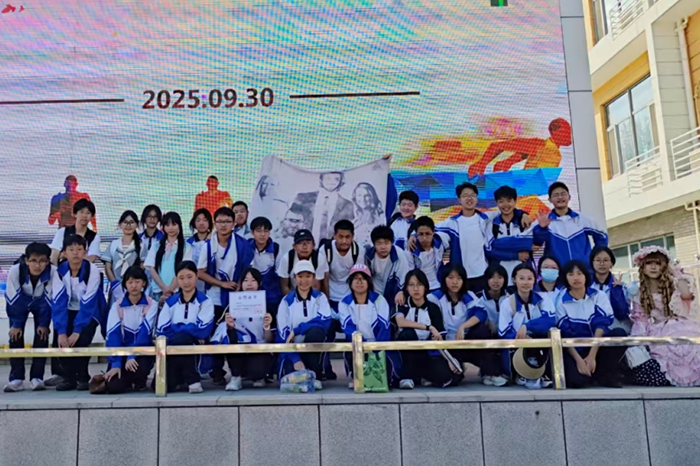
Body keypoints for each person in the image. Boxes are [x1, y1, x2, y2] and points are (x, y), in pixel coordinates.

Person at [428, 183, 529, 293]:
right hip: (461, 276)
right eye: (465, 196)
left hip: (483, 274)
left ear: (477, 198)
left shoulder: (486, 218)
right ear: (459, 200)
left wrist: (524, 214)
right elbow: (427, 229)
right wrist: (415, 237)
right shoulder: (451, 223)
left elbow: (508, 210)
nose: (469, 198)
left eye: (472, 195)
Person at [197, 206, 254, 384]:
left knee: (236, 331)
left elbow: (248, 269)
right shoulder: (208, 246)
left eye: (227, 221)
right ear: (214, 223)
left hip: (237, 295)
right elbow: (200, 272)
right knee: (215, 332)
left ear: (234, 223)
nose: (223, 225)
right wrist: (221, 283)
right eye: (220, 221)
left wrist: (240, 287)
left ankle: (240, 371)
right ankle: (217, 372)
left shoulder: (242, 244)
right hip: (215, 295)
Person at [629, 246, 700, 387]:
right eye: (649, 263)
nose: (653, 267)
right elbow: (641, 320)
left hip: (682, 324)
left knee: (688, 346)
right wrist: (639, 339)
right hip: (658, 329)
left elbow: (687, 296)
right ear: (642, 267)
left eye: (658, 263)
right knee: (652, 350)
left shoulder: (674, 284)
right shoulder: (639, 292)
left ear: (664, 266)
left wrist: (678, 275)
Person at [429, 263, 506, 386]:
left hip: (465, 341)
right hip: (445, 346)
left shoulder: (468, 295)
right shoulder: (435, 297)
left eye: (459, 278)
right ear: (444, 279)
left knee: (482, 330)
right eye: (451, 278)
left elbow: (480, 313)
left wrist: (463, 326)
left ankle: (489, 373)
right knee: (451, 379)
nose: (455, 282)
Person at [555, 260, 627, 388]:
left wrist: (592, 356)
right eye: (571, 274)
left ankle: (605, 374)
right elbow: (565, 334)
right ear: (565, 278)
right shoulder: (561, 302)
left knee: (619, 334)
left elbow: (601, 325)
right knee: (577, 382)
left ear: (585, 276)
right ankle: (589, 373)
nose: (576, 278)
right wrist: (579, 361)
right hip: (576, 349)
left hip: (597, 347)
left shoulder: (598, 295)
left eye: (579, 273)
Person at [50, 235, 103, 391]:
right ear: (64, 253)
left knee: (82, 339)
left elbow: (89, 302)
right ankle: (69, 378)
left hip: (90, 311)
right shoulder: (59, 271)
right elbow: (58, 301)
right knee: (61, 340)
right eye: (71, 249)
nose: (75, 253)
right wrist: (61, 331)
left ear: (85, 252)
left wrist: (77, 330)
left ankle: (83, 376)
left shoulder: (92, 271)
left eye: (79, 249)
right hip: (67, 310)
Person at [395, 270, 462, 389]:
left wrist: (449, 360)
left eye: (419, 284)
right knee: (408, 333)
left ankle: (422, 376)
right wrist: (428, 327)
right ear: (406, 288)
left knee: (453, 375)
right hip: (405, 355)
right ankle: (407, 377)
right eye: (411, 285)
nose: (416, 289)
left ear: (425, 287)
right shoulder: (402, 305)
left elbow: (439, 338)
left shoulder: (433, 308)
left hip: (426, 354)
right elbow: (401, 322)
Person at [210, 267, 275, 391]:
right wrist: (229, 326)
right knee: (231, 335)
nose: (249, 284)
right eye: (245, 280)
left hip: (259, 349)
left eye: (253, 280)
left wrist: (267, 327)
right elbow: (220, 332)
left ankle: (259, 376)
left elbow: (270, 339)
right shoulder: (233, 305)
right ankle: (236, 377)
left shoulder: (267, 306)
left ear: (259, 283)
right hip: (239, 349)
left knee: (257, 372)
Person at [157, 261, 215, 393]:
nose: (186, 282)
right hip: (172, 346)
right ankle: (189, 381)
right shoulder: (170, 302)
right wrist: (188, 329)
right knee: (164, 385)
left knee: (184, 338)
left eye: (190, 277)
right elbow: (162, 329)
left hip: (195, 346)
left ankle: (192, 380)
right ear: (176, 279)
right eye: (181, 278)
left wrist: (177, 328)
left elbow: (203, 329)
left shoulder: (205, 301)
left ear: (196, 276)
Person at [338, 264, 399, 389]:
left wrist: (375, 349)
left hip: (378, 345)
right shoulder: (344, 302)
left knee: (385, 378)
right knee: (350, 351)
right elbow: (348, 328)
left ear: (369, 282)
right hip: (357, 345)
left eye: (363, 278)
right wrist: (363, 345)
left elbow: (384, 327)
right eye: (356, 278)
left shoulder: (379, 300)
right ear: (350, 282)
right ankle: (354, 375)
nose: (359, 282)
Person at [3, 243, 54, 392]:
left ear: (48, 261)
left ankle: (37, 377)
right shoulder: (15, 271)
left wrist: (43, 323)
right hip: (19, 303)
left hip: (41, 303)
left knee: (42, 335)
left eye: (42, 261)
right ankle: (16, 378)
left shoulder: (53, 272)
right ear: (26, 260)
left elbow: (48, 300)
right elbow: (12, 298)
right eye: (33, 261)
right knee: (15, 336)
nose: (37, 265)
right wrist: (17, 324)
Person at [318, 220, 364, 379]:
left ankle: (352, 371)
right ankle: (324, 369)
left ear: (353, 236)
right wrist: (327, 302)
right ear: (334, 236)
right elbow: (324, 278)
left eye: (348, 237)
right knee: (327, 333)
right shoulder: (325, 249)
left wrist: (354, 301)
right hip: (330, 297)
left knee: (351, 334)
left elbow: (357, 278)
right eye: (340, 237)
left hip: (349, 298)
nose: (344, 241)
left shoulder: (358, 250)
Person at [276, 260, 332, 390]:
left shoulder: (320, 298)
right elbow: (283, 334)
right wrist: (295, 358)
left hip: (312, 350)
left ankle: (315, 373)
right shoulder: (286, 301)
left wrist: (297, 330)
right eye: (300, 276)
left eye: (308, 276)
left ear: (313, 277)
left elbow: (325, 321)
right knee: (291, 381)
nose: (304, 280)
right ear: (295, 278)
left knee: (316, 332)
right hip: (292, 351)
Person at [499, 263, 557, 389]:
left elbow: (550, 321)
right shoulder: (507, 303)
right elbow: (503, 332)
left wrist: (527, 326)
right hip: (517, 344)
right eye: (521, 278)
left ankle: (543, 374)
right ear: (514, 280)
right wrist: (521, 336)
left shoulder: (543, 299)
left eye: (530, 278)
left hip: (538, 341)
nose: (526, 282)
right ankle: (520, 374)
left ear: (534, 280)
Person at [103, 266, 158, 394]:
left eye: (137, 282)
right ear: (125, 284)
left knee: (140, 368)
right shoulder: (117, 306)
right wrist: (116, 364)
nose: (134, 286)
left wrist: (132, 355)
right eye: (130, 282)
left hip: (142, 353)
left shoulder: (152, 304)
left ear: (144, 283)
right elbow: (113, 335)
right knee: (113, 387)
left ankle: (139, 380)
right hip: (121, 353)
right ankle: (126, 379)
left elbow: (145, 334)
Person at [534, 182, 608, 266]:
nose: (560, 197)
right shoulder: (545, 220)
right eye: (555, 195)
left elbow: (602, 235)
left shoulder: (582, 219)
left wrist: (594, 257)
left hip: (582, 270)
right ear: (550, 200)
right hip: (557, 271)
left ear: (569, 197)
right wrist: (542, 228)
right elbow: (537, 243)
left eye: (563, 194)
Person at [468, 118, 572, 177]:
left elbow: (532, 154)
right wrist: (481, 163)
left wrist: (508, 162)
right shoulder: (540, 145)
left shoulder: (552, 150)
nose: (569, 135)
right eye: (566, 132)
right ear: (555, 132)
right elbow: (496, 146)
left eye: (569, 131)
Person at [485, 185, 534, 284]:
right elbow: (489, 251)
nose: (505, 205)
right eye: (501, 201)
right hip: (499, 279)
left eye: (509, 200)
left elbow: (527, 244)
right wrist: (515, 255)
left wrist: (497, 244)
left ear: (515, 201)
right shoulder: (491, 224)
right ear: (496, 203)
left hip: (522, 278)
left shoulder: (524, 222)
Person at [293, 171, 354, 242]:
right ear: (321, 179)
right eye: (328, 178)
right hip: (305, 245)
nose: (332, 182)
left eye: (336, 179)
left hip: (332, 246)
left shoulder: (347, 205)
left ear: (340, 181)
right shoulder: (303, 198)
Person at [145, 212, 192, 302]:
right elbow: (152, 268)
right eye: (167, 225)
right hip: (157, 291)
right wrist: (163, 288)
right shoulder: (156, 245)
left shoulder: (186, 247)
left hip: (177, 291)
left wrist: (170, 289)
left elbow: (184, 269)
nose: (170, 228)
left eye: (174, 224)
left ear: (179, 225)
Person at [102, 210, 143, 307]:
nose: (128, 225)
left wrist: (134, 284)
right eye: (125, 222)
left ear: (136, 225)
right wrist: (115, 284)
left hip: (134, 289)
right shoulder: (113, 244)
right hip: (116, 289)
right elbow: (108, 267)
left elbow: (143, 267)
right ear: (120, 224)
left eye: (131, 222)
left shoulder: (142, 245)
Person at [364, 225, 411, 307]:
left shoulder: (399, 255)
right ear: (374, 244)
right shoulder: (368, 256)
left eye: (386, 243)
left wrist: (402, 291)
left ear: (392, 243)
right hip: (374, 292)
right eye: (379, 243)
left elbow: (404, 277)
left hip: (392, 291)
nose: (383, 247)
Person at [590, 246, 631, 332]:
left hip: (617, 329)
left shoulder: (622, 286)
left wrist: (618, 291)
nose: (602, 264)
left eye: (605, 260)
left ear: (611, 263)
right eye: (598, 260)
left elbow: (624, 313)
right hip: (592, 329)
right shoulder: (586, 286)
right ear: (592, 263)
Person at [50, 199, 101, 265]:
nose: (84, 216)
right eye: (81, 212)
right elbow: (54, 256)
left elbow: (91, 258)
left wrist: (67, 255)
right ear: (74, 214)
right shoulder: (62, 232)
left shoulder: (94, 237)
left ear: (92, 216)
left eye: (88, 213)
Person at [249, 216, 283, 316]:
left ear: (269, 233)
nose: (262, 234)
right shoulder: (246, 247)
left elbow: (279, 273)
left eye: (266, 231)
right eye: (259, 231)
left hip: (271, 296)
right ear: (252, 232)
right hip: (251, 294)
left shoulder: (276, 249)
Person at [277, 229, 327, 296]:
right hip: (292, 294)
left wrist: (309, 301)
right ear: (294, 246)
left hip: (311, 296)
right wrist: (296, 300)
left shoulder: (319, 258)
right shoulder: (287, 258)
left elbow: (316, 287)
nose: (304, 247)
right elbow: (285, 287)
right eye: (300, 243)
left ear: (313, 245)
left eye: (308, 243)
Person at [404, 216, 446, 293]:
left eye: (428, 234)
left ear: (433, 232)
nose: (424, 238)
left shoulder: (441, 242)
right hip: (420, 287)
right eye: (421, 234)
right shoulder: (410, 251)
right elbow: (410, 273)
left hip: (438, 285)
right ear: (416, 234)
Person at [476, 264, 511, 334]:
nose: (496, 281)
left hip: (507, 332)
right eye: (492, 277)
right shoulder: (478, 297)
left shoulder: (510, 295)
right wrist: (487, 323)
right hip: (487, 333)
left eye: (500, 277)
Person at [187, 208, 213, 291]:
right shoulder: (188, 243)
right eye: (198, 220)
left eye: (205, 220)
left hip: (210, 283)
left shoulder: (214, 241)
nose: (201, 223)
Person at [352, 182, 385, 247]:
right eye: (359, 195)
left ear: (372, 197)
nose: (363, 199)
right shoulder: (354, 220)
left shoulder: (381, 218)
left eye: (367, 196)